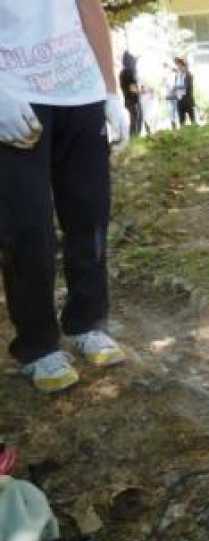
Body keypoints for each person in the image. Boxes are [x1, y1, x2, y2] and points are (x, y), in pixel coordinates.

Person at [0, 0, 128, 393]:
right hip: (16, 94)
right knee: (27, 226)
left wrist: (111, 92)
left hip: (81, 92)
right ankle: (37, 345)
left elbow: (90, 8)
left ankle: (86, 322)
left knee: (90, 217)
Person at [119, 50, 142, 137]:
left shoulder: (122, 73)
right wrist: (142, 91)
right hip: (133, 100)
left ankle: (133, 139)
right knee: (136, 121)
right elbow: (132, 88)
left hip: (127, 100)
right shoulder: (130, 72)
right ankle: (134, 139)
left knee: (133, 121)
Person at [173, 57, 196, 126]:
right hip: (179, 101)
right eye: (178, 65)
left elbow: (187, 87)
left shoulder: (189, 75)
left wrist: (177, 88)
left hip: (187, 100)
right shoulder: (177, 76)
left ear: (185, 66)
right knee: (182, 122)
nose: (179, 67)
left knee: (193, 120)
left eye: (180, 65)